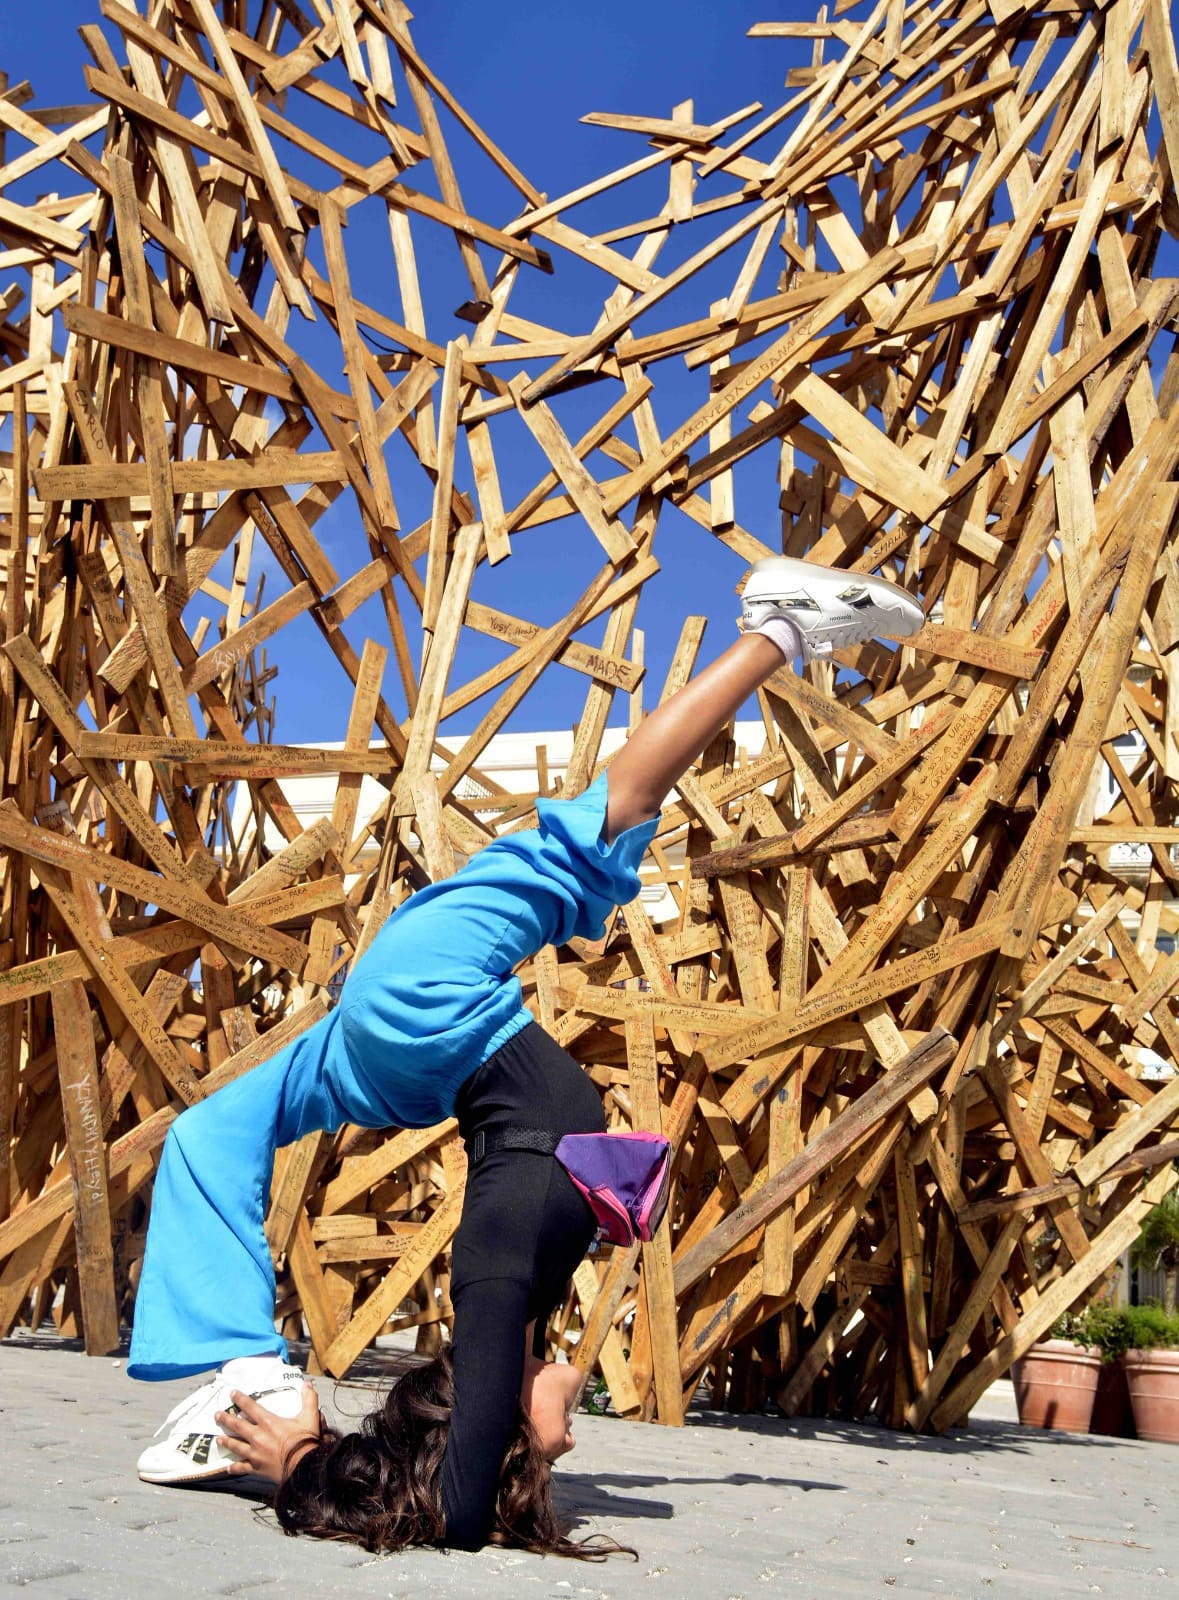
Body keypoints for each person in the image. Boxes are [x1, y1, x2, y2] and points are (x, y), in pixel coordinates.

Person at [129, 557, 922, 1554]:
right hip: (405, 1059)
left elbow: (458, 1512)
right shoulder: (518, 1283)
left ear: (495, 1419)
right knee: (211, 1133)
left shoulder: (498, 1274)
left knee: (607, 817)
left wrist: (299, 1463)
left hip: (428, 1009)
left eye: (551, 1445)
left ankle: (782, 630)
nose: (575, 1423)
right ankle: (240, 1360)